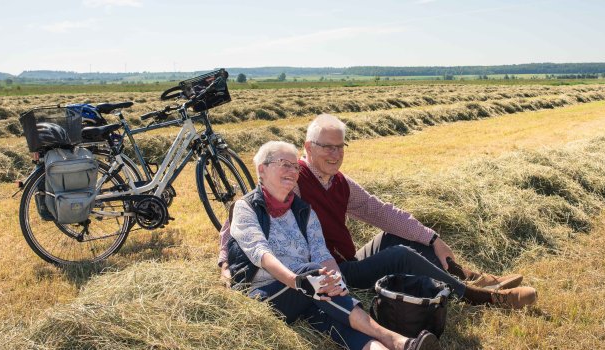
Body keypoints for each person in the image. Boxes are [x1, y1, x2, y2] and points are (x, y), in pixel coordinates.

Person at [221, 114, 536, 309]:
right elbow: (242, 212)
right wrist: (225, 260)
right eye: (327, 146)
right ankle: (478, 297)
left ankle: (471, 277)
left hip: (348, 258)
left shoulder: (341, 183)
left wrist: (433, 237)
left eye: (340, 146)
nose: (335, 154)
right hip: (328, 273)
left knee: (401, 235)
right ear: (309, 147)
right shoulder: (294, 177)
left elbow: (383, 212)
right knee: (400, 253)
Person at [228, 141, 441, 350]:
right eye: (284, 164)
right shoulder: (246, 207)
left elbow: (322, 253)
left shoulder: (303, 211)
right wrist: (298, 281)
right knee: (314, 274)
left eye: (295, 166)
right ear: (262, 170)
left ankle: (396, 346)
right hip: (265, 294)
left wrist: (338, 284)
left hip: (308, 290)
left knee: (339, 321)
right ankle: (395, 339)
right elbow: (261, 254)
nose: (292, 171)